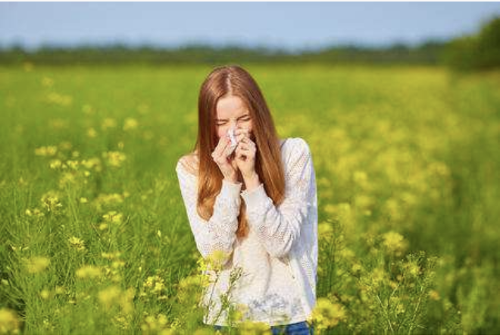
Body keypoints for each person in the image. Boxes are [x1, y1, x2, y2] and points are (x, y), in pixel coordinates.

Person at [175, 65, 317, 335]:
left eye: (243, 119)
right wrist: (229, 181)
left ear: (259, 116)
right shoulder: (191, 168)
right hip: (227, 320)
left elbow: (280, 244)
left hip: (288, 319)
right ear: (207, 124)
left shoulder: (293, 154)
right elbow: (215, 256)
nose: (234, 132)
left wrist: (251, 178)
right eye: (221, 124)